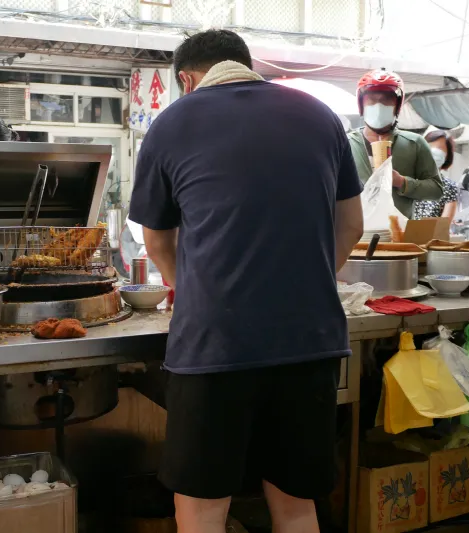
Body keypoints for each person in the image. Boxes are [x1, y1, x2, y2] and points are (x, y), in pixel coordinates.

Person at [128, 29, 364, 533]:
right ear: (245, 64)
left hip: (216, 348)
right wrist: (310, 279)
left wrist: (189, 293)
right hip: (310, 341)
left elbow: (157, 242)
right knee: (297, 504)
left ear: (188, 79)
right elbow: (351, 226)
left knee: (202, 509)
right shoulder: (319, 116)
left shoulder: (172, 123)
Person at [348, 69, 443, 219]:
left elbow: (437, 190)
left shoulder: (414, 143)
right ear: (361, 104)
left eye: (386, 100)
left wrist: (402, 182)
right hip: (355, 234)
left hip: (398, 234)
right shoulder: (346, 144)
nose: (378, 106)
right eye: (372, 100)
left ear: (397, 105)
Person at [413, 130, 459, 221]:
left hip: (432, 234)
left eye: (439, 149)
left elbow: (443, 226)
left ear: (447, 156)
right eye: (428, 148)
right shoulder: (407, 180)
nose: (432, 152)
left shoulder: (449, 187)